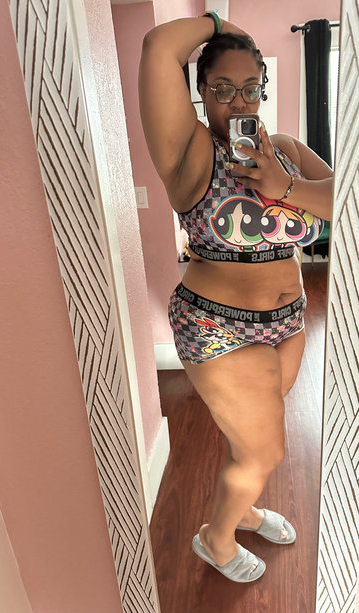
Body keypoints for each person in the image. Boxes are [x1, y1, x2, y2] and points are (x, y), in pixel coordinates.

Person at [139, 14, 333, 583]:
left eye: (251, 87)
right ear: (200, 92)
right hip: (216, 325)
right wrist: (223, 25)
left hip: (289, 320)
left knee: (249, 437)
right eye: (222, 88)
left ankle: (242, 510)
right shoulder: (191, 150)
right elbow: (159, 44)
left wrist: (284, 186)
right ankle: (215, 541)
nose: (239, 101)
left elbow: (351, 199)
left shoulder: (286, 150)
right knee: (264, 450)